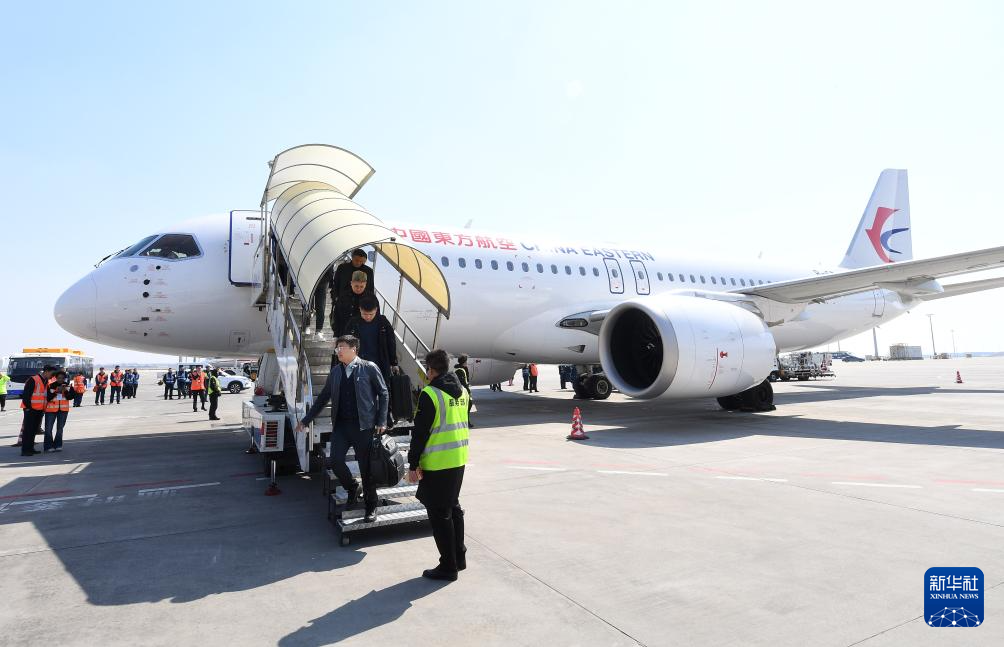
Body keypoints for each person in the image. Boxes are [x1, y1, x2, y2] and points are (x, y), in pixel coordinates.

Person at [296, 335, 388, 523]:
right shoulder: (336, 372)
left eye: (342, 347)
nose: (338, 351)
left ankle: (371, 506)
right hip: (341, 426)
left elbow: (383, 393)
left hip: (364, 427)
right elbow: (323, 398)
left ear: (354, 349)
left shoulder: (369, 368)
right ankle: (352, 487)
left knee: (366, 468)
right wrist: (306, 420)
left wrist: (382, 420)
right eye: (337, 347)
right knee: (335, 461)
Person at [407, 349, 470, 581]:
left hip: (437, 462)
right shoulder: (462, 390)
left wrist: (413, 464)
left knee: (439, 515)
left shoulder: (430, 394)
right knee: (453, 508)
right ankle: (459, 557)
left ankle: (448, 566)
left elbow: (420, 433)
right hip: (458, 457)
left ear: (431, 370)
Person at [344, 295, 399, 424]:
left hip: (381, 363)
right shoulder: (353, 323)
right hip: (360, 365)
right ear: (360, 309)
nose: (368, 317)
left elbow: (391, 342)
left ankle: (385, 417)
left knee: (384, 391)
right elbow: (345, 343)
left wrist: (394, 362)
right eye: (365, 314)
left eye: (371, 314)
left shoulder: (383, 322)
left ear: (376, 310)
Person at [20, 365, 55, 456]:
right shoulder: (33, 379)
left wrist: (56, 392)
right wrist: (28, 407)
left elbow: (46, 396)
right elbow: (26, 395)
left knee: (33, 430)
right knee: (28, 430)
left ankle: (30, 448)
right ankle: (25, 450)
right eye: (51, 374)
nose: (52, 376)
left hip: (39, 409)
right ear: (46, 371)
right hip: (30, 409)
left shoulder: (46, 381)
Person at [332, 271, 369, 336]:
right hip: (344, 333)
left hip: (364, 334)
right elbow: (336, 316)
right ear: (351, 283)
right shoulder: (342, 297)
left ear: (365, 284)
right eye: (356, 286)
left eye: (361, 286)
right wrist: (336, 335)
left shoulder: (371, 298)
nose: (358, 289)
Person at [43, 370, 71, 452]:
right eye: (59, 378)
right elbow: (48, 398)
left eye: (62, 378)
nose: (60, 379)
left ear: (64, 378)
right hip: (51, 410)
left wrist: (65, 391)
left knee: (60, 429)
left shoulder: (68, 386)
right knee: (48, 429)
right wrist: (56, 391)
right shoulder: (50, 386)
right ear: (56, 378)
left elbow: (71, 397)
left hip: (63, 410)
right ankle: (48, 446)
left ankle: (58, 445)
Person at [453, 354, 474, 427]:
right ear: (464, 362)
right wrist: (468, 391)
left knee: (466, 406)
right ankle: (466, 422)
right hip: (463, 391)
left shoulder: (460, 369)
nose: (467, 362)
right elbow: (463, 383)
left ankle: (466, 421)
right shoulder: (461, 370)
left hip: (461, 390)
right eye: (466, 361)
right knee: (468, 405)